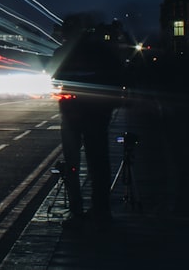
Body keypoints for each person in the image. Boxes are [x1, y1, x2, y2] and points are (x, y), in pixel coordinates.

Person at [50, 29, 123, 229]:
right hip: (99, 114)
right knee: (99, 164)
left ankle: (76, 212)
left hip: (73, 114)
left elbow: (54, 75)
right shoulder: (105, 53)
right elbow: (119, 78)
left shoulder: (65, 53)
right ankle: (101, 210)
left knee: (72, 164)